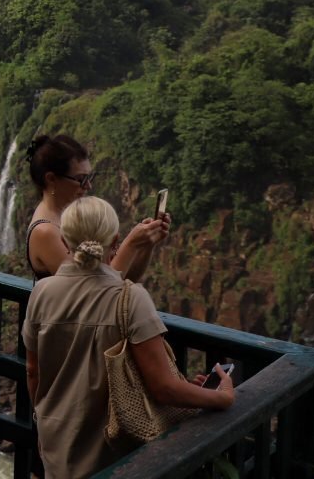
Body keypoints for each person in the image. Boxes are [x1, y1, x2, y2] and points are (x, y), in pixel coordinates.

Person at [23, 196, 235, 478]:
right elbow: (164, 388)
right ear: (115, 240)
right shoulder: (131, 298)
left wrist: (41, 421)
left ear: (64, 240)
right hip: (110, 451)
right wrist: (221, 397)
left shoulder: (41, 292)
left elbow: (33, 371)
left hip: (56, 442)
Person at [24, 134, 168, 282]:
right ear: (51, 179)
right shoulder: (46, 232)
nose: (88, 186)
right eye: (81, 179)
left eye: (89, 177)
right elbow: (95, 288)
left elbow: (125, 279)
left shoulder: (71, 216)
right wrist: (131, 243)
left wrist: (146, 244)